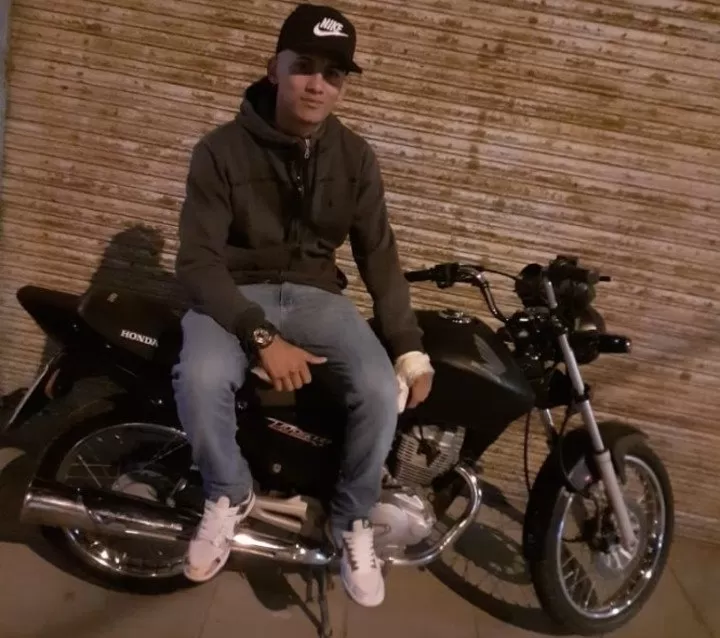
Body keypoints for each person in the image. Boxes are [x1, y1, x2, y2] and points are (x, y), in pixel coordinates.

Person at [171, 3, 434, 607]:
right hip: (233, 295)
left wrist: (408, 346)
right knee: (202, 376)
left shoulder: (355, 157)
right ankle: (227, 492)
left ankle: (351, 520)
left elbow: (379, 254)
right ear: (275, 69)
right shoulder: (220, 150)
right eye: (304, 67)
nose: (318, 84)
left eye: (333, 74)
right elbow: (198, 261)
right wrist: (261, 336)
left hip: (317, 296)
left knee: (378, 388)